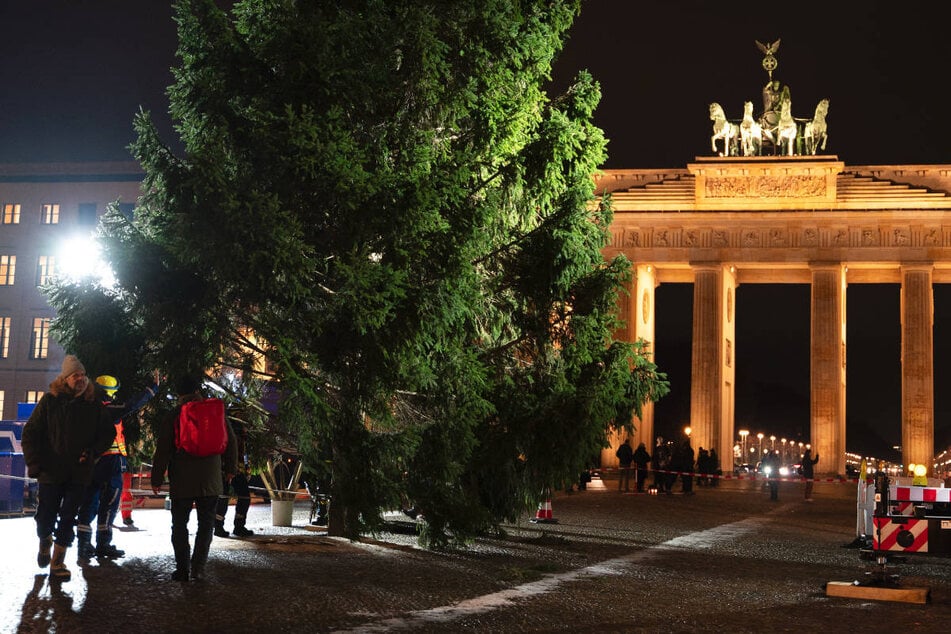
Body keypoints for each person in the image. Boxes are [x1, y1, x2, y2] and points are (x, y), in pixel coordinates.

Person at [22, 355, 115, 581]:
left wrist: (92, 452)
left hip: (78, 472)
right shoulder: (50, 401)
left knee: (68, 517)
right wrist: (34, 463)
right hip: (51, 471)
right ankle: (45, 541)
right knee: (45, 517)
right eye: (76, 376)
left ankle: (58, 560)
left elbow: (108, 433)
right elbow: (30, 433)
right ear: (65, 379)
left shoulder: (93, 404)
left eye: (83, 375)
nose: (81, 379)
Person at [151, 375, 238, 581]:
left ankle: (182, 570)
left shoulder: (174, 415)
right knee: (206, 524)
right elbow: (231, 441)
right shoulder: (214, 413)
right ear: (198, 390)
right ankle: (198, 568)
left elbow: (163, 449)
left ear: (179, 394)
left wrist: (157, 478)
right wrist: (230, 469)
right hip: (211, 478)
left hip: (182, 478)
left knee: (179, 524)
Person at [76, 372, 160, 560]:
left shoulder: (85, 408)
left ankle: (83, 545)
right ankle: (103, 544)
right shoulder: (108, 408)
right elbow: (131, 405)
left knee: (89, 502)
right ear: (110, 392)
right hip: (111, 462)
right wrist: (151, 389)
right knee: (110, 502)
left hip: (91, 463)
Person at [215, 417, 254, 538]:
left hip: (237, 470)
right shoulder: (233, 431)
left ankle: (238, 526)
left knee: (244, 497)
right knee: (223, 497)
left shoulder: (240, 434)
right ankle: (218, 526)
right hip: (226, 470)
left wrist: (246, 469)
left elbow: (242, 454)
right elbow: (231, 452)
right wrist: (228, 469)